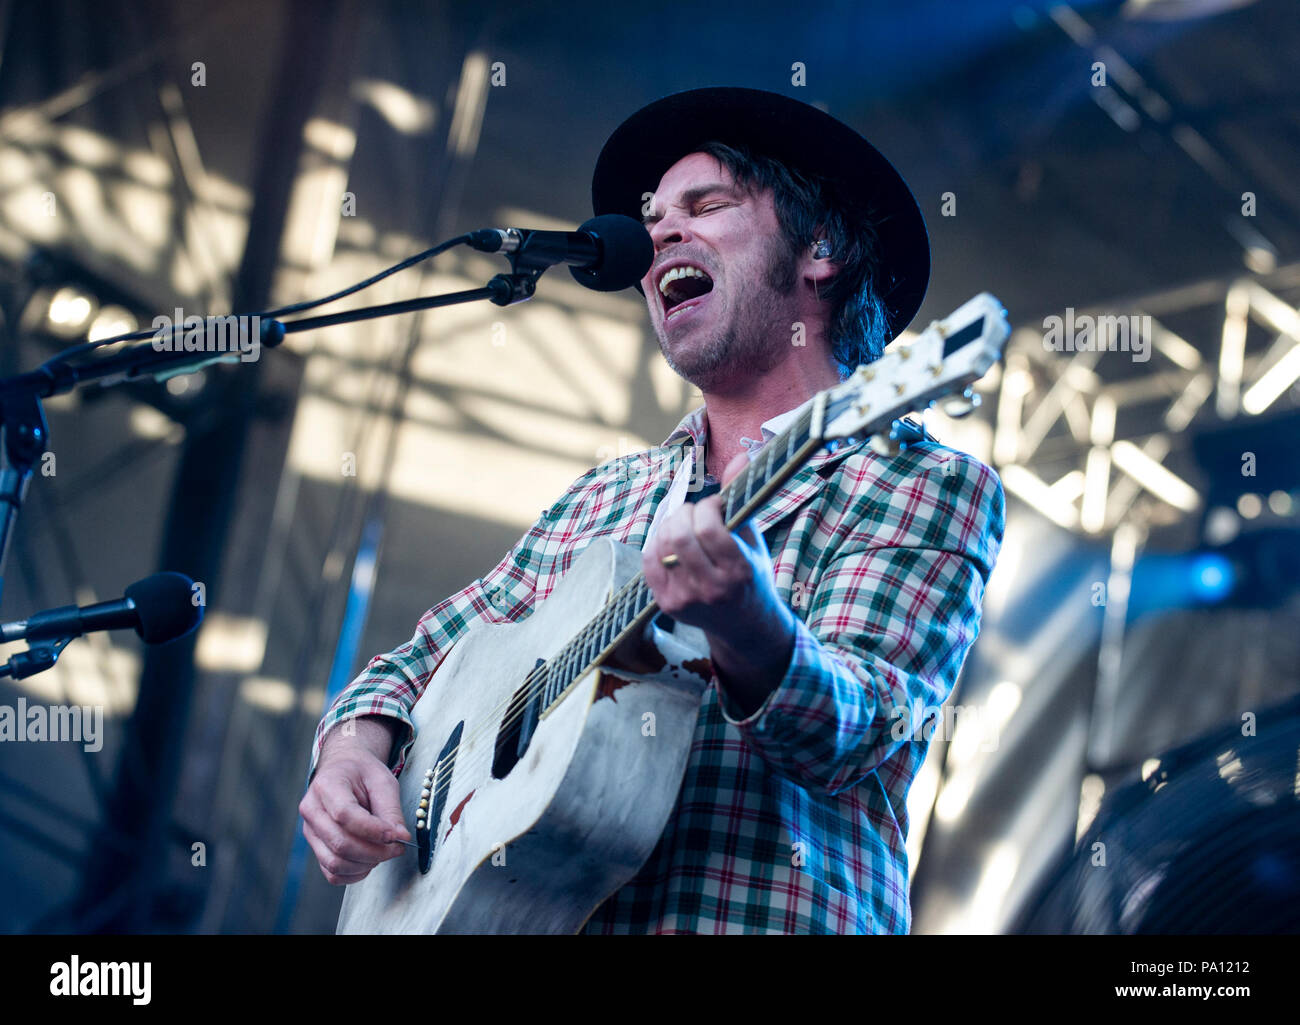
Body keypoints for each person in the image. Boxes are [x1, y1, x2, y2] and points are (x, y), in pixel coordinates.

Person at [299, 87, 1005, 933]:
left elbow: (859, 729)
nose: (659, 233)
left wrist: (749, 623)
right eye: (652, 216)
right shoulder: (607, 493)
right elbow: (428, 659)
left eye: (706, 205)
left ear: (821, 248)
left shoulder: (916, 478)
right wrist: (349, 751)